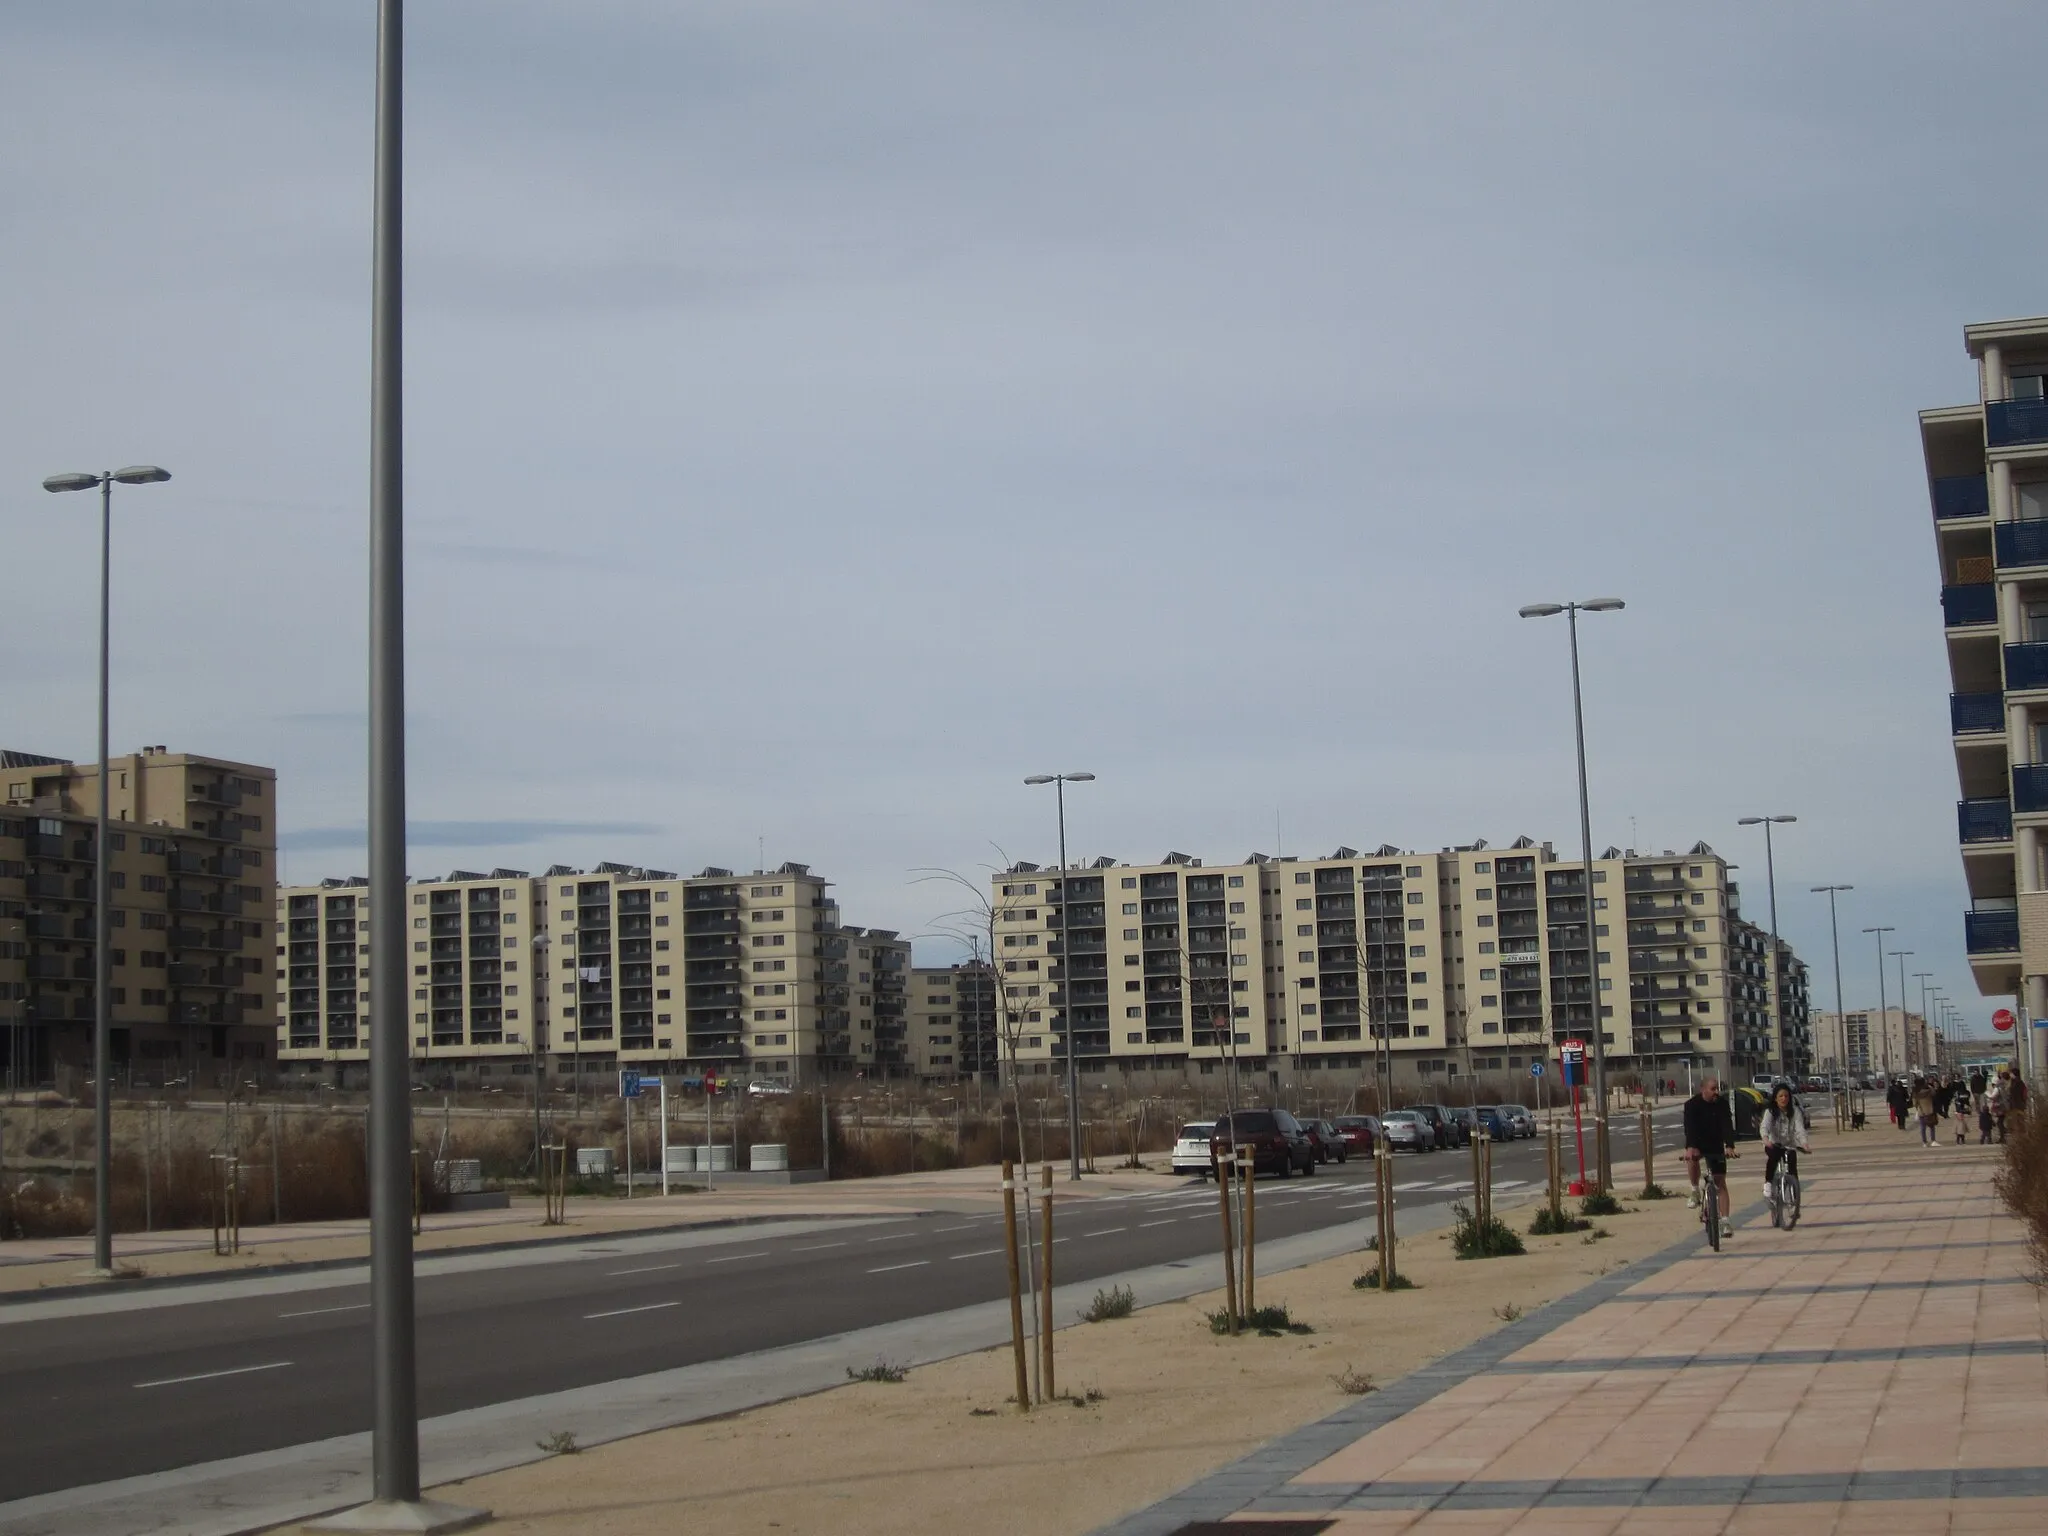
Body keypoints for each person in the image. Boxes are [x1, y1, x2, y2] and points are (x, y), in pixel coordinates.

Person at [1683, 1075, 1737, 1238]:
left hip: (1715, 1143)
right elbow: (1689, 1127)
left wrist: (1729, 1145)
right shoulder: (1692, 1105)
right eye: (1712, 1089)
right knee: (1692, 1159)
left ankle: (1725, 1221)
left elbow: (1727, 1124)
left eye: (1717, 1088)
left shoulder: (1722, 1104)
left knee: (1720, 1182)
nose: (1716, 1092)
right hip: (1697, 1142)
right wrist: (1691, 1147)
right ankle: (1694, 1190)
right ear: (1703, 1089)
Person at [1756, 1084, 1810, 1200]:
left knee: (1792, 1164)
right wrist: (1765, 1139)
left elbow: (1800, 1129)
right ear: (1775, 1098)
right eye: (1780, 1096)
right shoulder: (1770, 1112)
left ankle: (1794, 1198)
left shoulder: (1795, 1112)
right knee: (1773, 1157)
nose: (1783, 1099)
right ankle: (1768, 1183)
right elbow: (1764, 1126)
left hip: (1789, 1144)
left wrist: (1804, 1144)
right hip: (1773, 1143)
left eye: (1786, 1096)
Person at [1913, 1077, 1939, 1147]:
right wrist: (1930, 1087)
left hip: (1921, 1111)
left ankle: (1924, 1142)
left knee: (1922, 1127)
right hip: (1930, 1110)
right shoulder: (1928, 1090)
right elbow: (1934, 1094)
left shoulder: (1916, 1092)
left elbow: (1914, 1103)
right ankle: (1933, 1140)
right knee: (1932, 1126)